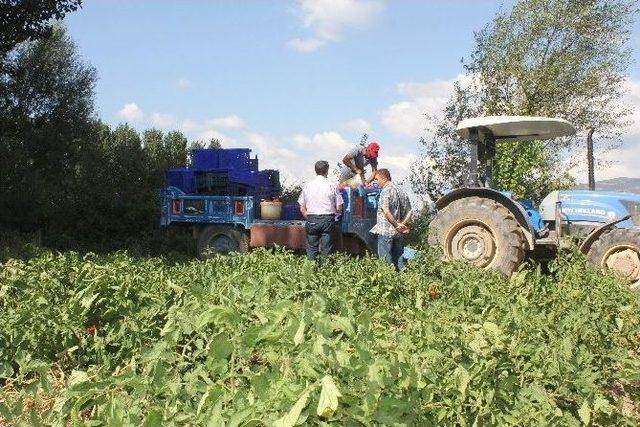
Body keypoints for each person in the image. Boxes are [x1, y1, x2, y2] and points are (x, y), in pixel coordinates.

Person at [298, 160, 344, 261]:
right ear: (327, 171)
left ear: (315, 171)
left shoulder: (308, 186)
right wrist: (337, 214)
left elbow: (302, 207)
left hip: (312, 218)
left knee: (311, 248)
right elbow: (339, 207)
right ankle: (325, 272)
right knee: (326, 249)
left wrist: (309, 216)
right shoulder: (332, 185)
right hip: (327, 219)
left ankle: (310, 271)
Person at [370, 168, 412, 271]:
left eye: (376, 179)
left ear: (384, 178)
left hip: (385, 231)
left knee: (386, 262)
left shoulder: (386, 190)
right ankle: (404, 280)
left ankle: (389, 280)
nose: (375, 181)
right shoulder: (401, 190)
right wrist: (402, 224)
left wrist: (396, 224)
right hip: (398, 233)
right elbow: (410, 211)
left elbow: (385, 210)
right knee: (399, 260)